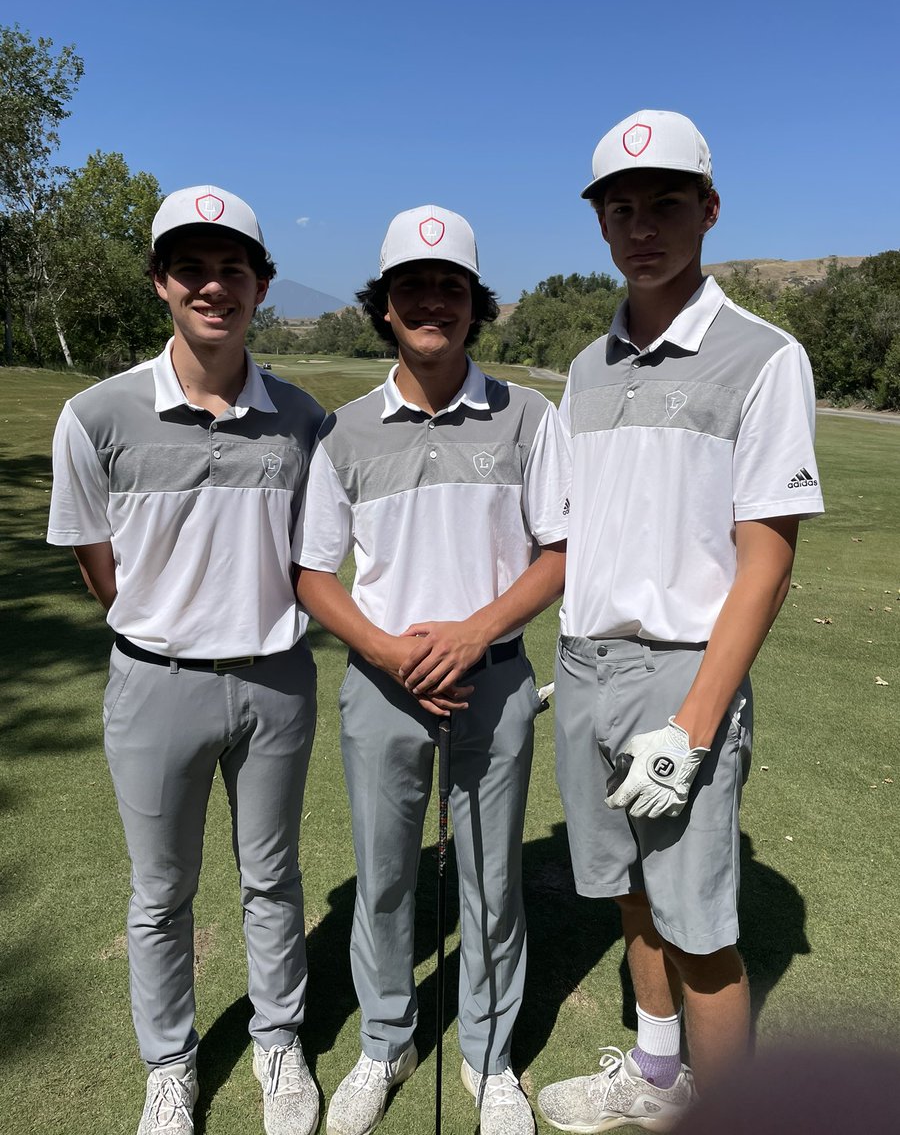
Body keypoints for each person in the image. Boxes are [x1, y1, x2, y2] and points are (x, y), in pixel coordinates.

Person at [536, 111, 824, 1132]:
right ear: (601, 224)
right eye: (621, 208)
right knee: (631, 896)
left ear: (709, 210)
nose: (642, 226)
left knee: (700, 929)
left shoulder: (764, 357)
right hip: (587, 664)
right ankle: (658, 1080)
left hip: (683, 675)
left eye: (665, 203)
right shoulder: (586, 368)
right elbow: (584, 532)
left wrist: (695, 723)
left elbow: (768, 557)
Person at [47, 186, 325, 1135]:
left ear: (260, 285)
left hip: (276, 681)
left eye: (231, 268)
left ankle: (279, 1041)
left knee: (271, 878)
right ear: (161, 282)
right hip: (155, 684)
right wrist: (163, 627)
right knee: (161, 893)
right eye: (191, 268)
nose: (213, 286)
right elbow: (98, 565)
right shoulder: (95, 415)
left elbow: (314, 559)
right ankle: (169, 1064)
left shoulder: (303, 420)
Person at [296, 205, 570, 1135]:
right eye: (411, 286)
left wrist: (473, 632)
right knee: (383, 879)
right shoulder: (343, 432)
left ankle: (490, 1060)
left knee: (492, 881)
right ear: (383, 305)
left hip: (493, 680)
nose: (431, 302)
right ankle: (386, 1043)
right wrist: (386, 650)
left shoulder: (527, 416)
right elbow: (312, 573)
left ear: (474, 303)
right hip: (382, 687)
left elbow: (560, 553)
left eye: (450, 286)